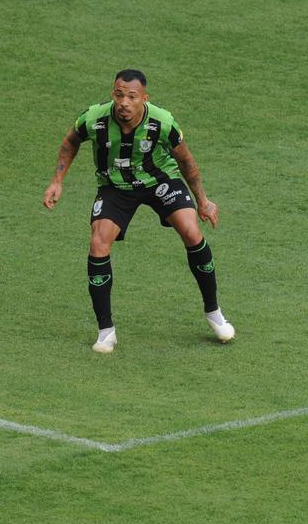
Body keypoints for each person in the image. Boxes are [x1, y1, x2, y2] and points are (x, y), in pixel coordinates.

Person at [42, 69, 234, 352]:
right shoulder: (94, 118)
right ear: (113, 94)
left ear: (144, 98)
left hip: (160, 180)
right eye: (119, 95)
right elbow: (71, 141)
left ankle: (213, 312)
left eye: (132, 96)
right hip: (115, 186)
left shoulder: (162, 122)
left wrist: (202, 200)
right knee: (98, 243)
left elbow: (187, 162)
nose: (124, 102)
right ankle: (106, 331)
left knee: (192, 232)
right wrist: (57, 181)